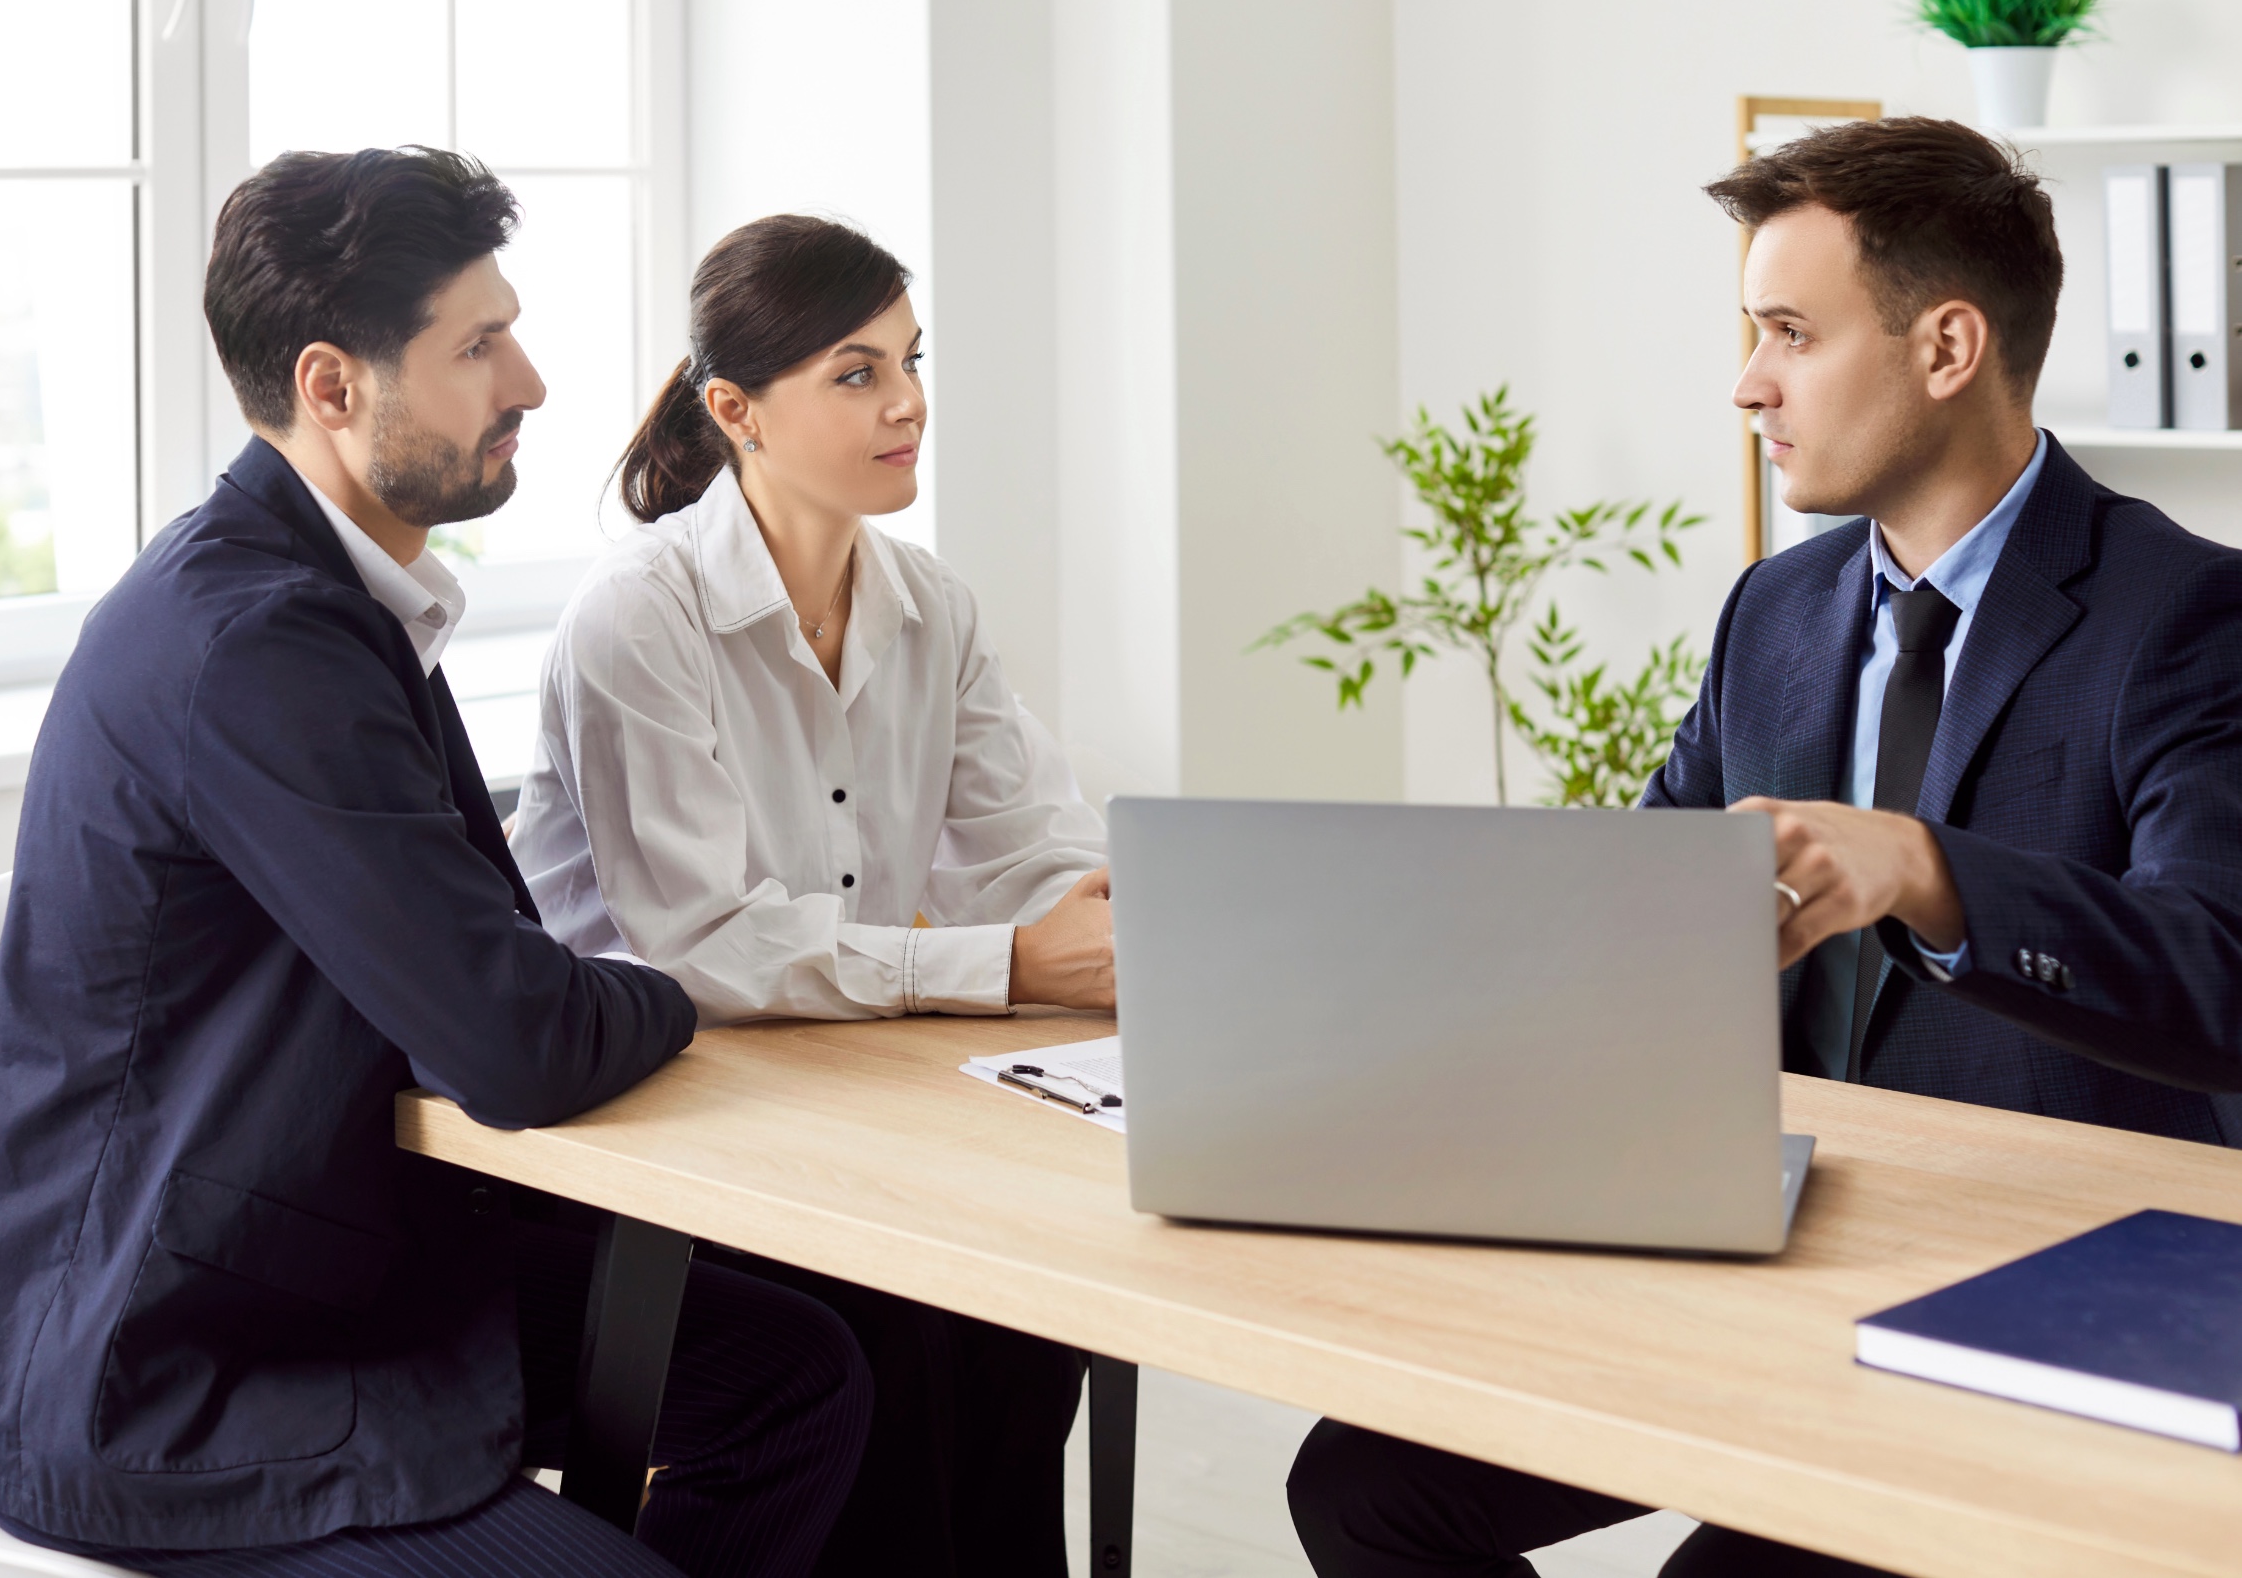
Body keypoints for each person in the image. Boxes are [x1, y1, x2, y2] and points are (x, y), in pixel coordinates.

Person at [1283, 118, 2242, 1576]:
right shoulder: (1775, 612)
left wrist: (1928, 870)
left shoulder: (2181, 615)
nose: (1748, 383)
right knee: (1366, 1487)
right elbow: (1651, 902)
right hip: (1767, 1230)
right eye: (1752, 332)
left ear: (1947, 347)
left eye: (1789, 332)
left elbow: (2217, 976)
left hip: (2030, 1276)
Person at [0, 149, 871, 1578]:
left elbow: (481, 982)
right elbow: (516, 1037)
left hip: (307, 1260)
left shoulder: (324, 594)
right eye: (479, 345)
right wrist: (677, 980)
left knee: (793, 1374)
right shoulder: (258, 644)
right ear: (331, 387)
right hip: (162, 1369)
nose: (534, 381)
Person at [511, 213, 1111, 1576]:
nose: (907, 402)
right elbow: (709, 950)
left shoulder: (930, 608)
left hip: (835, 1100)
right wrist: (1012, 960)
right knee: (889, 1312)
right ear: (737, 410)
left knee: (1028, 1299)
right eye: (855, 372)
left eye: (910, 359)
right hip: (642, 1131)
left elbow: (1033, 846)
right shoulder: (636, 621)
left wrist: (1123, 909)